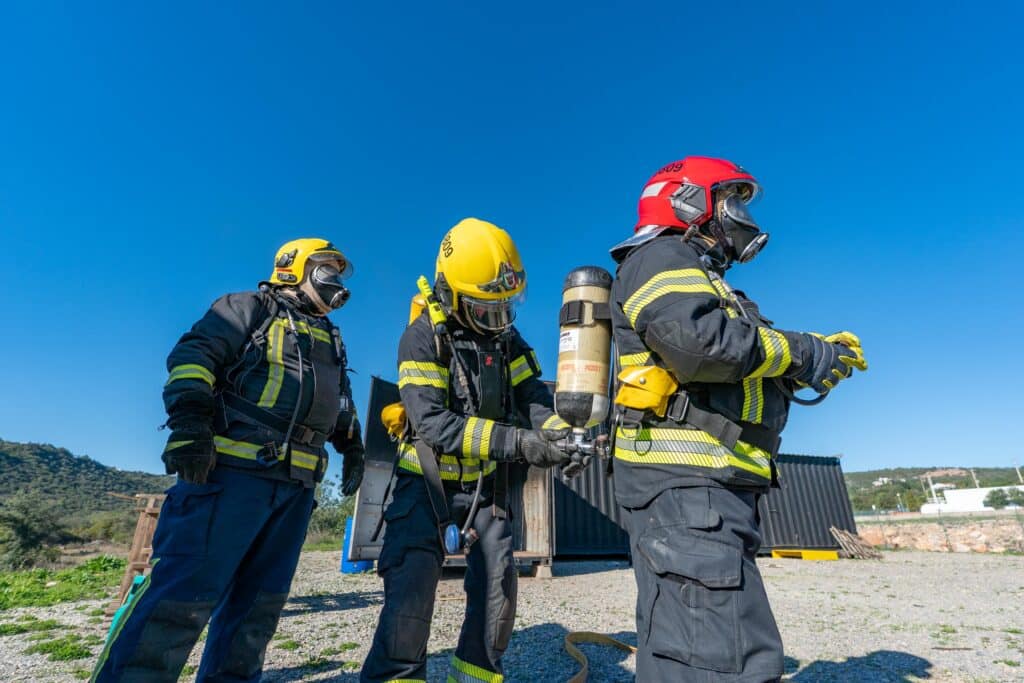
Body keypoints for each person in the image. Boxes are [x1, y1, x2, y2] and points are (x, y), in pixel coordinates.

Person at [608, 157, 867, 682]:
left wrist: (805, 366)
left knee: (689, 655)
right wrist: (802, 352)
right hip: (687, 485)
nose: (743, 216)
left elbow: (728, 359)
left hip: (704, 489)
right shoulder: (661, 256)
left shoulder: (699, 276)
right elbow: (701, 346)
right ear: (689, 201)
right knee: (725, 661)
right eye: (734, 200)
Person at [92, 238, 366, 682]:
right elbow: (192, 357)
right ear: (292, 268)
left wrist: (351, 443)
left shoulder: (330, 337)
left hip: (295, 490)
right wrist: (189, 424)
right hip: (228, 478)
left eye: (337, 273)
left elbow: (340, 401)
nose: (335, 283)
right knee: (178, 603)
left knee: (257, 613)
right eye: (326, 271)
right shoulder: (247, 307)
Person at [360, 218, 571, 683]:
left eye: (505, 308)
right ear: (451, 293)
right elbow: (432, 423)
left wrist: (558, 434)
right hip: (425, 487)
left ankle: (474, 676)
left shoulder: (506, 339)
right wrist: (517, 442)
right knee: (409, 602)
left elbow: (533, 395)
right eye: (486, 309)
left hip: (487, 489)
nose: (500, 321)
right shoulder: (421, 338)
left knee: (498, 595)